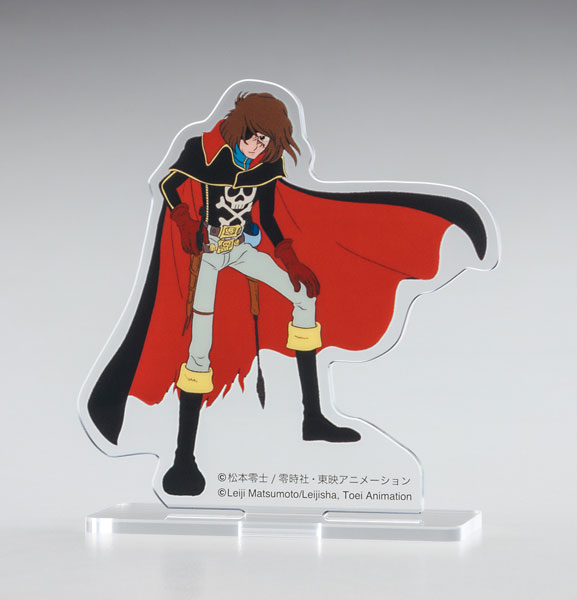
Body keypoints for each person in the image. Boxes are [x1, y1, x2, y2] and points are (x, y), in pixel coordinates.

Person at [159, 92, 361, 496]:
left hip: (242, 248)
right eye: (253, 136)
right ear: (240, 127)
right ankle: (183, 459)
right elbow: (169, 184)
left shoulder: (267, 163)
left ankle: (313, 418)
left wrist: (290, 258)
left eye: (266, 140)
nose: (257, 145)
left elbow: (266, 216)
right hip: (208, 253)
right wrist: (184, 221)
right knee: (200, 349)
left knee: (304, 297)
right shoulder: (203, 151)